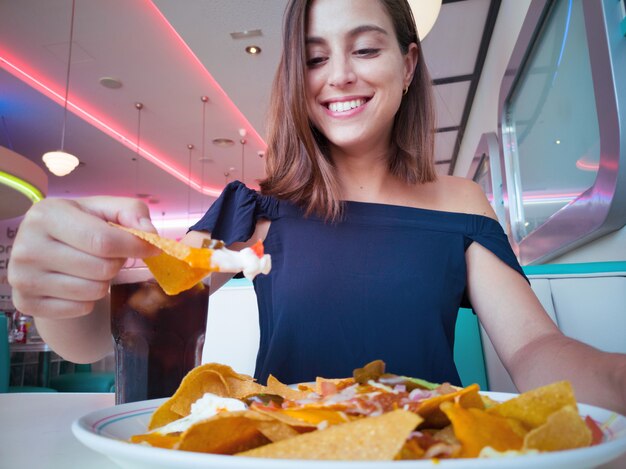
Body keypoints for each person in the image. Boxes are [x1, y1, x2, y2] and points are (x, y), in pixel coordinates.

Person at [8, 0, 626, 413]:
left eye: (365, 49)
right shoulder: (254, 210)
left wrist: (612, 380)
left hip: (431, 453)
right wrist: (61, 291)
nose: (339, 77)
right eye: (315, 57)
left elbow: (532, 350)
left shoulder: (461, 203)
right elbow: (118, 332)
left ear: (407, 65)